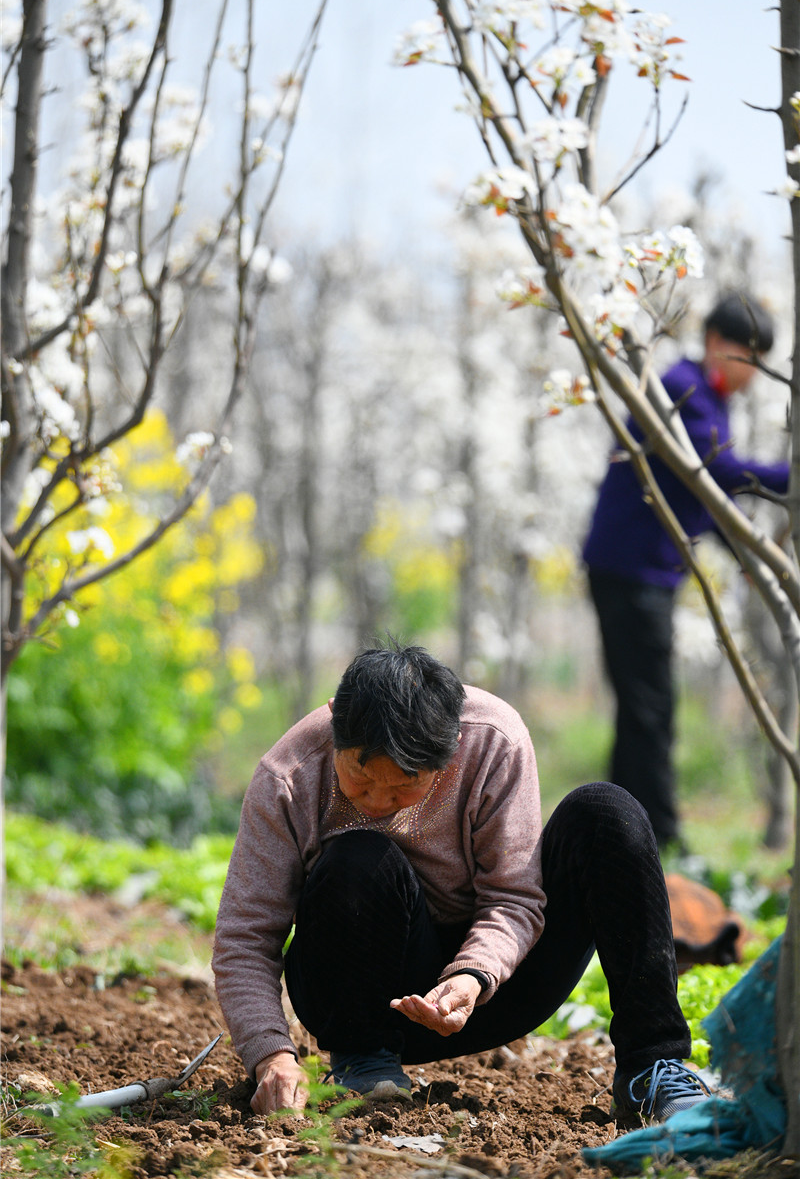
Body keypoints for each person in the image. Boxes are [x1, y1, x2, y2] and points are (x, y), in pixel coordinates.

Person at [213, 641, 711, 1124]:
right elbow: (245, 938)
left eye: (404, 785)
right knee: (358, 854)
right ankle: (363, 1061)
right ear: (334, 729)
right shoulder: (288, 776)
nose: (378, 802)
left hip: (492, 987)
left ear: (452, 752)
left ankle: (650, 1067)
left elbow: (514, 896)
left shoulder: (493, 740)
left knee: (607, 813)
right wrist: (270, 1055)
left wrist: (472, 975)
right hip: (357, 996)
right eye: (360, 781)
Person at [582, 293, 790, 850]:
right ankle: (661, 837)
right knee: (650, 709)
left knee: (642, 708)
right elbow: (718, 472)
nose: (753, 374)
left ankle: (618, 832)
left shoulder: (706, 396)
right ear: (717, 343)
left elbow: (702, 494)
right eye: (750, 358)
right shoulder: (683, 388)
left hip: (638, 570)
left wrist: (746, 555)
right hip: (631, 571)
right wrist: (790, 476)